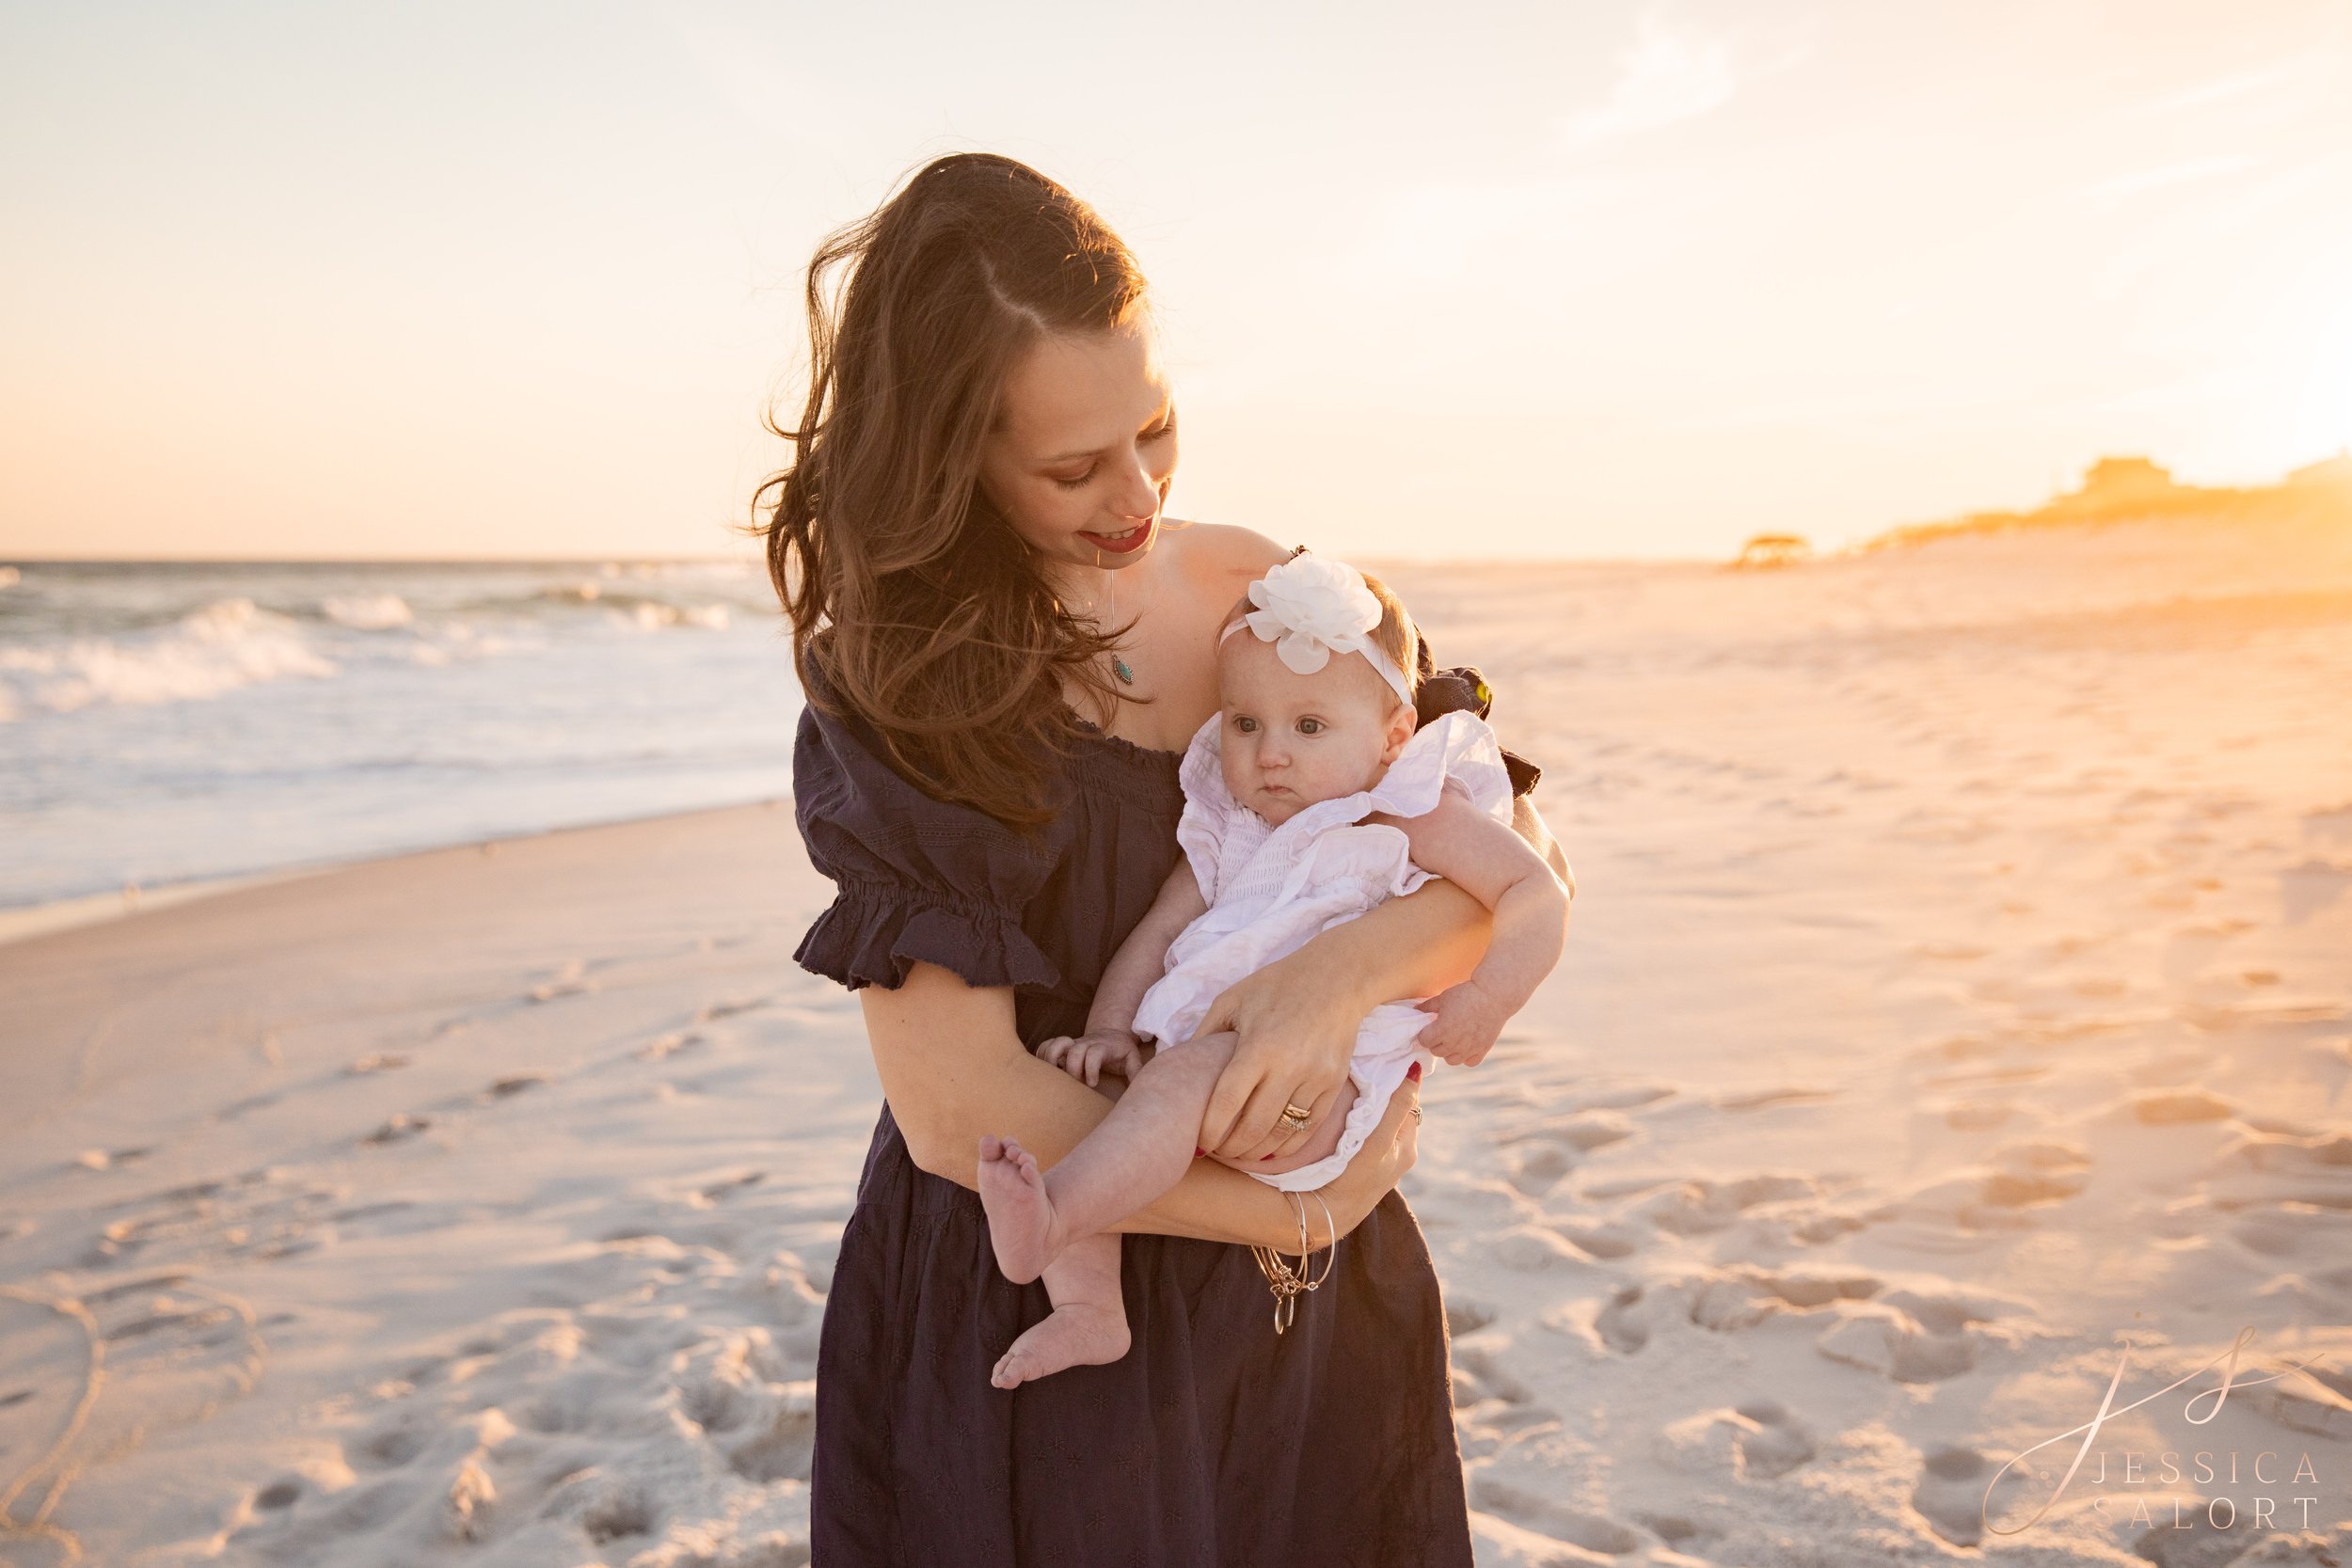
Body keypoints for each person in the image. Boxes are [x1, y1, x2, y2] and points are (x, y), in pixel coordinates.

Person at [756, 150, 1572, 1566]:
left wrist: (1340, 975)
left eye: (1156, 427)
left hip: (1297, 1304)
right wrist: (1308, 1201)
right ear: (952, 458)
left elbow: (1496, 829)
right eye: (1073, 466)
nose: (1136, 491)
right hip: (1041, 1281)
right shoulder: (901, 680)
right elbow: (961, 1112)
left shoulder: (1261, 590)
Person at [977, 553, 1574, 1388]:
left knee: (1170, 1088)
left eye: (1309, 727)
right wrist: (1110, 1030)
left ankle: (1052, 1218)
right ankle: (1088, 1307)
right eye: (1245, 723)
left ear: (1392, 737)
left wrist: (1492, 996)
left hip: (1320, 1091)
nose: (1270, 755)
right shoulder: (1232, 826)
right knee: (1097, 1104)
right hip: (1204, 1062)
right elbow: (1158, 930)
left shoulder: (1406, 809)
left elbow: (1535, 888)